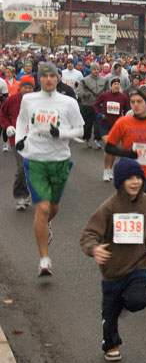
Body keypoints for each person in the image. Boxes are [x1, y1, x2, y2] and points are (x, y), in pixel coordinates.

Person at [79, 158, 146, 362]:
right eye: (129, 178)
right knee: (110, 315)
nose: (135, 182)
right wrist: (95, 249)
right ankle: (111, 344)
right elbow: (89, 234)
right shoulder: (109, 207)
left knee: (137, 300)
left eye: (138, 178)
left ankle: (131, 295)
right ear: (120, 182)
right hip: (113, 271)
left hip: (139, 264)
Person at [15, 63, 84, 276]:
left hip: (60, 160)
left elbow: (80, 128)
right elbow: (21, 120)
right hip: (35, 159)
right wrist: (19, 139)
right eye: (43, 76)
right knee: (42, 209)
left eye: (51, 76)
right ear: (39, 79)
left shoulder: (68, 102)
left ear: (57, 78)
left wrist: (61, 134)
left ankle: (47, 225)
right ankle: (44, 260)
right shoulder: (29, 99)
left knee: (53, 208)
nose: (48, 79)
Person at [104, 88, 146, 198]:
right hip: (129, 174)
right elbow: (109, 147)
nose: (135, 105)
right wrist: (126, 154)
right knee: (130, 211)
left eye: (139, 101)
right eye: (132, 102)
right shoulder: (122, 122)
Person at [0, 79, 33, 209]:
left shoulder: (39, 101)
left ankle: (31, 191)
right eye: (25, 87)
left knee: (32, 167)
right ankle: (20, 196)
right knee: (22, 166)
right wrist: (7, 126)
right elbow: (2, 114)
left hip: (35, 140)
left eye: (30, 87)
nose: (28, 90)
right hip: (16, 139)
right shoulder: (11, 100)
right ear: (20, 88)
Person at [94, 77, 130, 182]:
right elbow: (96, 105)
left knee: (113, 148)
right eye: (115, 84)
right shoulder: (105, 95)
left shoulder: (123, 97)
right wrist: (100, 114)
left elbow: (126, 110)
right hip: (104, 124)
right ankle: (105, 170)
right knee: (109, 145)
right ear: (111, 85)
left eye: (118, 84)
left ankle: (110, 169)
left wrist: (125, 120)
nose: (117, 86)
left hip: (116, 125)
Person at [76, 63, 109, 148]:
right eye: (94, 69)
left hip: (99, 106)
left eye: (98, 69)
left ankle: (97, 140)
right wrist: (85, 94)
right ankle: (87, 139)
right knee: (87, 124)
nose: (96, 71)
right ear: (91, 70)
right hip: (88, 105)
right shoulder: (84, 80)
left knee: (98, 124)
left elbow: (108, 91)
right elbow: (79, 91)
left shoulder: (104, 80)